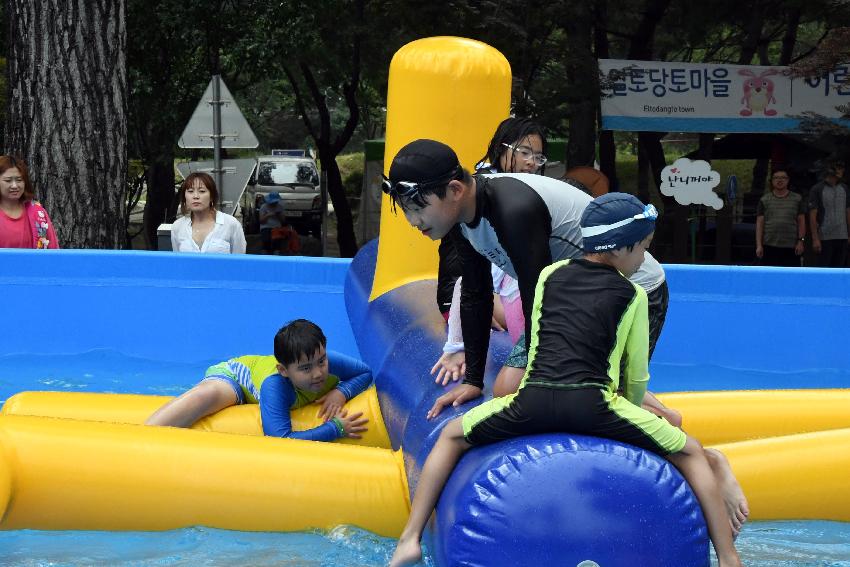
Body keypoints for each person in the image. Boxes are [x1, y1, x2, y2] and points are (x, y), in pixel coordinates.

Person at [388, 194, 743, 567]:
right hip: (595, 405)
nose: (642, 260)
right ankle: (729, 558)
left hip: (533, 401)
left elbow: (539, 347)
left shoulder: (548, 276)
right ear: (621, 248)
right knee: (689, 449)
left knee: (452, 435)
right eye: (642, 249)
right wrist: (633, 408)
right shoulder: (633, 295)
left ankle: (410, 539)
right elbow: (635, 376)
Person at [385, 139, 677, 426]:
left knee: (603, 394)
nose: (413, 220)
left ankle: (667, 426)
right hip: (568, 297)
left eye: (418, 208)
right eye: (408, 210)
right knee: (505, 390)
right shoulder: (461, 217)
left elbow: (537, 293)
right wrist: (473, 380)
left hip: (630, 290)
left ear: (455, 190)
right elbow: (476, 293)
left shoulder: (513, 209)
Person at [146, 319, 370, 441]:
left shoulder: (328, 362)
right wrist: (335, 429)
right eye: (305, 369)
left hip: (260, 375)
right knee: (208, 395)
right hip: (237, 380)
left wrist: (342, 392)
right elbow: (279, 440)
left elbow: (366, 373)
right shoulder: (276, 385)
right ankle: (142, 436)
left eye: (321, 361)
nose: (318, 373)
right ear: (284, 370)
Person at [170, 172, 246, 254]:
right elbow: (178, 261)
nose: (196, 196)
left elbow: (240, 261)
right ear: (185, 196)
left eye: (202, 191)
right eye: (190, 191)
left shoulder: (231, 224)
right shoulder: (177, 227)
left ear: (212, 196)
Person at [0, 155, 59, 249]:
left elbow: (53, 251)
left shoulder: (38, 213)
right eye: (8, 181)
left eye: (19, 180)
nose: (15, 186)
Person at [755, 167, 806, 266]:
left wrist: (801, 242)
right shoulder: (764, 200)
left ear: (788, 180)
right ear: (772, 181)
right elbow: (759, 224)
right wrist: (759, 245)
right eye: (776, 178)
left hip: (791, 246)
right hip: (769, 245)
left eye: (783, 177)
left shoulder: (797, 199)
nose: (779, 180)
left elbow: (801, 222)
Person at [807, 161, 850, 267]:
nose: (841, 171)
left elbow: (848, 211)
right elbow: (813, 215)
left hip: (842, 236)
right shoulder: (817, 189)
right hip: (824, 237)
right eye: (838, 168)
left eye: (842, 168)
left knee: (840, 268)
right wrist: (815, 238)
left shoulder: (844, 188)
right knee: (824, 268)